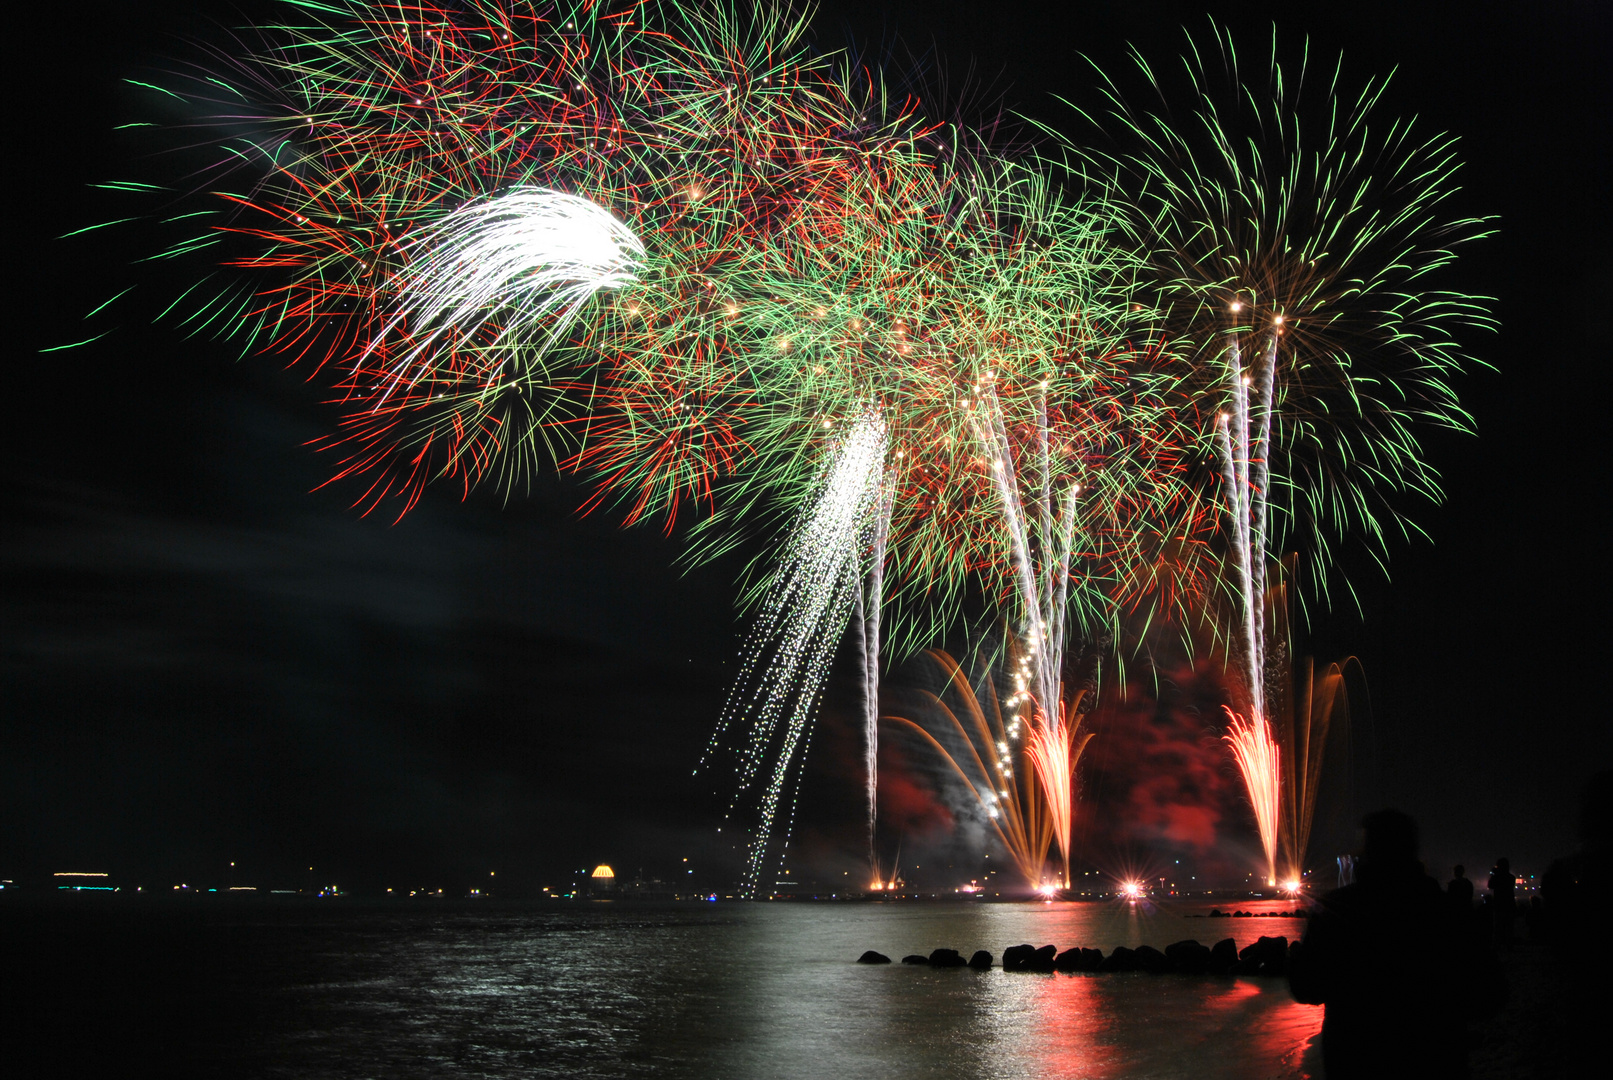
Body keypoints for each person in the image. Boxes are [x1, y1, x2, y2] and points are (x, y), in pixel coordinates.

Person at [1289, 809, 1504, 1079]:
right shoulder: (1446, 910)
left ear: (1368, 851)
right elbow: (1489, 995)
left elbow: (1307, 987)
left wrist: (1295, 957)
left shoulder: (1336, 909)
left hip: (1355, 1061)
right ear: (1412, 850)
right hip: (1434, 1061)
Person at [1487, 857, 1516, 941]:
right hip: (1509, 904)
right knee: (1509, 927)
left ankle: (1498, 945)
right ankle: (1509, 945)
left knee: (1498, 927)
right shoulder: (1511, 877)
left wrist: (1493, 874)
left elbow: (1490, 885)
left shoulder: (1496, 878)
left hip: (1499, 904)